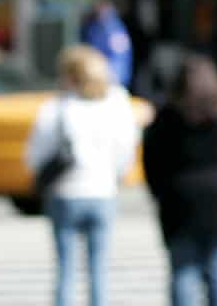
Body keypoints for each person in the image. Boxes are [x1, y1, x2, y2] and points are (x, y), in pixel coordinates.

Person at [25, 44, 140, 306]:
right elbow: (126, 149)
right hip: (103, 191)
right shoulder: (117, 102)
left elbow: (34, 154)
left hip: (66, 192)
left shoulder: (58, 107)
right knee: (99, 270)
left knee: (65, 270)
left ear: (70, 75)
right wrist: (116, 175)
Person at [143, 56, 217, 306]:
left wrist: (158, 191)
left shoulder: (167, 119)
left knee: (183, 271)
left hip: (179, 198)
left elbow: (151, 160)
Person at [79, 0, 133, 88]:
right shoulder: (95, 26)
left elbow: (120, 58)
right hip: (99, 78)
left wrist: (113, 78)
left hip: (111, 80)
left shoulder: (113, 28)